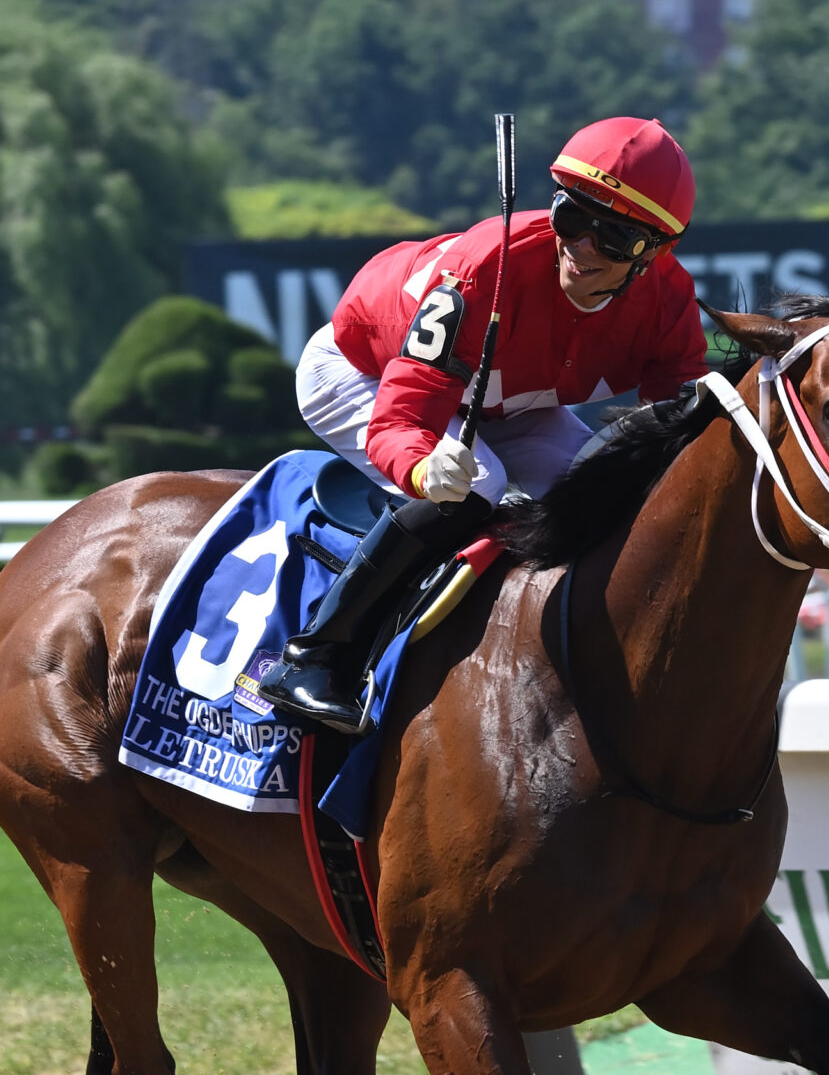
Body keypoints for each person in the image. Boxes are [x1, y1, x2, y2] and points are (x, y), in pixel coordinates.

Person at [257, 116, 710, 733]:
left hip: (506, 400)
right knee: (476, 485)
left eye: (614, 239)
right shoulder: (481, 272)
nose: (579, 249)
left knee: (605, 491)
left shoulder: (670, 304)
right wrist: (419, 464)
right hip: (365, 371)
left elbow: (674, 442)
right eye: (571, 217)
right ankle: (314, 656)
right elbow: (404, 415)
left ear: (655, 252)